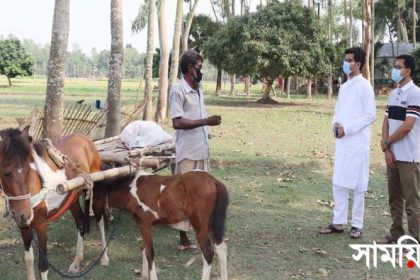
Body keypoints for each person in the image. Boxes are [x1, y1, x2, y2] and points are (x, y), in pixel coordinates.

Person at [319, 47, 376, 239]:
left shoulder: (365, 86)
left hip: (358, 142)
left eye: (349, 60)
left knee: (359, 185)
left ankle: (357, 224)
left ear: (358, 64)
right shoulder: (344, 87)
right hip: (342, 142)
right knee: (339, 182)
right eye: (345, 60)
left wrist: (348, 129)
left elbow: (370, 115)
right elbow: (337, 111)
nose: (346, 63)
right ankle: (338, 222)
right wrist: (334, 125)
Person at [169, 50, 222, 250]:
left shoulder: (198, 89)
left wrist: (206, 125)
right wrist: (205, 122)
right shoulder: (178, 90)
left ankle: (202, 233)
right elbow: (177, 122)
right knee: (184, 196)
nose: (201, 71)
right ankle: (183, 239)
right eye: (199, 67)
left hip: (201, 149)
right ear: (190, 68)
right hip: (187, 152)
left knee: (201, 196)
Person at [377, 54, 420, 244]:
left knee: (412, 201)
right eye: (394, 66)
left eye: (398, 66)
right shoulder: (393, 93)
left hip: (410, 156)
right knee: (394, 198)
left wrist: (387, 142)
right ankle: (396, 233)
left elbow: (407, 126)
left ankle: (414, 239)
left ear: (408, 71)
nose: (395, 69)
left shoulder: (416, 93)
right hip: (392, 154)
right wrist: (386, 148)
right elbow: (387, 120)